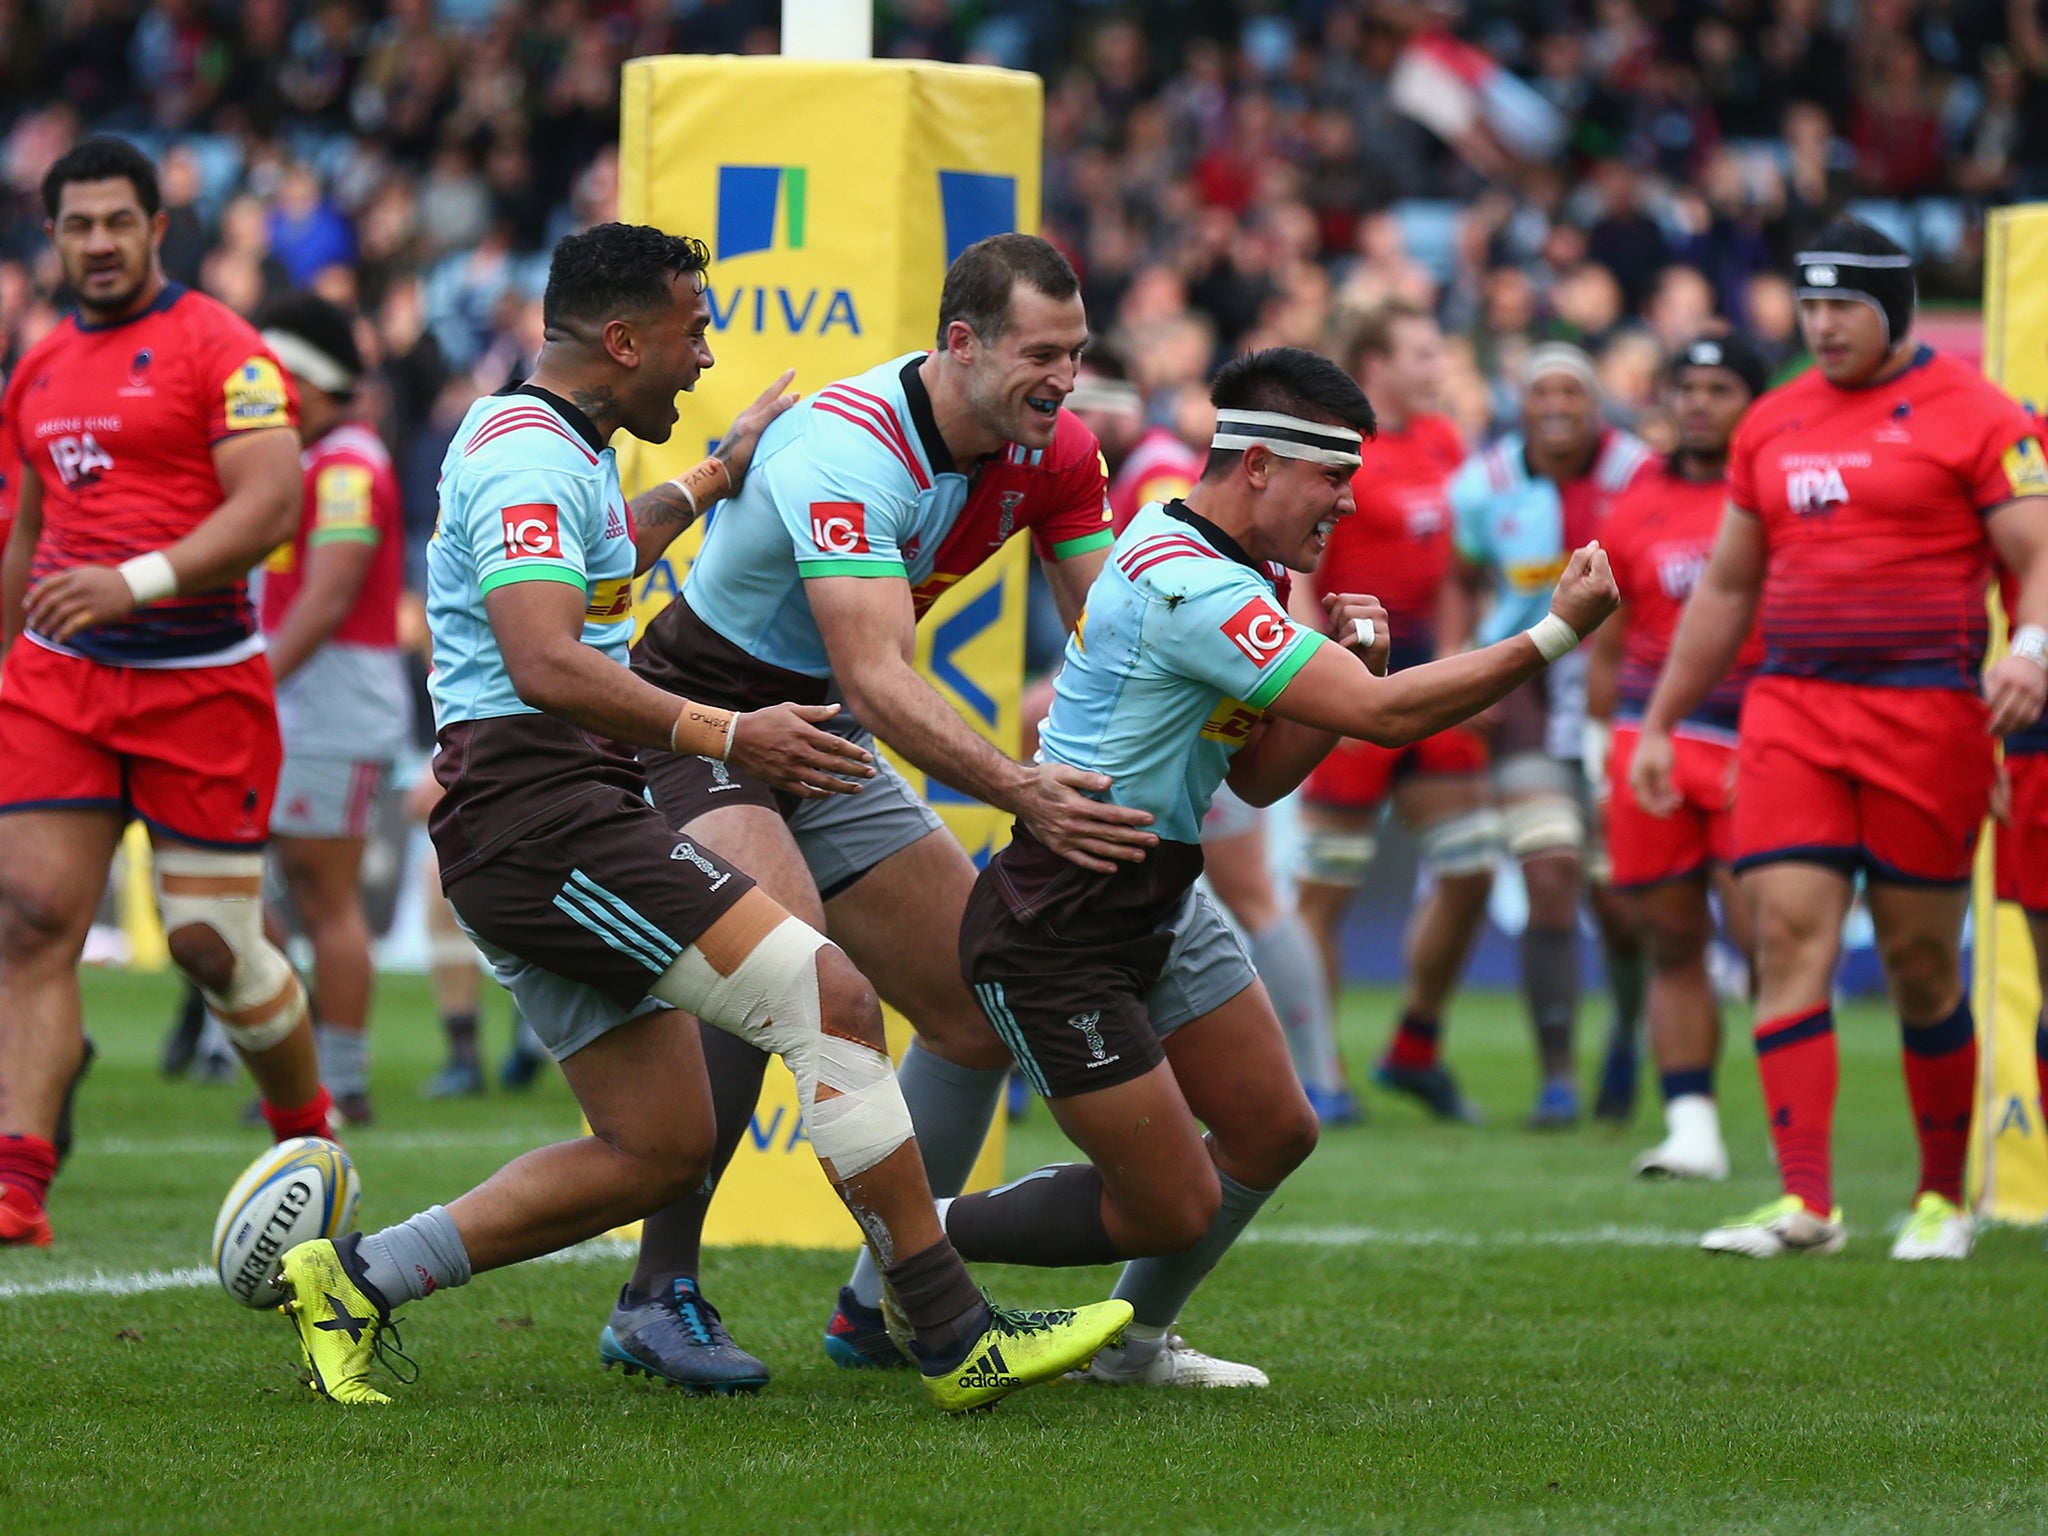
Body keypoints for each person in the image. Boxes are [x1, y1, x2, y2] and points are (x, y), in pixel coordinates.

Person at [272, 221, 1130, 1408]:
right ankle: (945, 1326)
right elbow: (541, 659)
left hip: (575, 800)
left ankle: (354, 1277)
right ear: (622, 340)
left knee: (657, 1146)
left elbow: (600, 562)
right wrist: (731, 734)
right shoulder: (532, 457)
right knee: (818, 992)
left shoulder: (551, 446)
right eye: (692, 331)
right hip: (546, 813)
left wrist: (715, 472)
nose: (706, 355)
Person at [941, 346, 1619, 1386]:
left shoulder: (1236, 569)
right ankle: (912, 1221)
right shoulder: (1187, 582)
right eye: (1332, 478)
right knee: (1170, 1202)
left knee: (1270, 1130)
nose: (1345, 504)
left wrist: (1361, 672)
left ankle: (1129, 1350)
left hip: (1155, 886)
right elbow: (1386, 723)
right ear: (1258, 466)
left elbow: (1254, 781)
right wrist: (1551, 634)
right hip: (1065, 913)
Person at [606, 234, 1166, 1392]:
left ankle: (878, 1309)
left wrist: (1253, 660)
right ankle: (654, 1294)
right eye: (1040, 354)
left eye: (1077, 352)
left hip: (820, 737)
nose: (1065, 380)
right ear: (958, 345)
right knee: (779, 969)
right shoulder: (849, 450)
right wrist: (1023, 791)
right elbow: (875, 678)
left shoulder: (1055, 452)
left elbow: (1117, 640)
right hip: (698, 713)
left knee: (972, 1011)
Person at [1634, 220, 2048, 1260]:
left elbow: (2037, 553)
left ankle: (1937, 1200)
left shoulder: (1982, 416)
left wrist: (2029, 650)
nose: (1819, 327)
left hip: (1927, 714)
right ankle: (1805, 1203)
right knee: (1783, 937)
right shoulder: (1769, 421)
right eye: (1807, 307)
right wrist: (1658, 720)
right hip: (1792, 711)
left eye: (1841, 309)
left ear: (1892, 311)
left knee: (1918, 963)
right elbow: (1727, 587)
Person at [0, 138, 321, 1247]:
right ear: (53, 236)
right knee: (32, 916)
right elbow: (26, 537)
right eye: (77, 224)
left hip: (197, 687)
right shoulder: (37, 371)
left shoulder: (222, 351)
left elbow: (272, 504)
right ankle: (19, 1180)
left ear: (155, 228)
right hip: (59, 688)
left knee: (208, 946)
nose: (98, 243)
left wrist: (131, 582)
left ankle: (308, 1133)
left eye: (117, 223)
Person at [1092, 366, 1354, 1125]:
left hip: (1209, 712)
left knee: (1251, 896)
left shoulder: (1162, 488)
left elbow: (1370, 712)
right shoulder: (1150, 501)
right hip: (1135, 806)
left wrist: (1551, 635)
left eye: (1084, 385)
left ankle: (1323, 1075)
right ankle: (1323, 1075)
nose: (1072, 404)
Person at [1444, 342, 1654, 1128]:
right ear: (1520, 403)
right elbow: (1460, 579)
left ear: (1596, 403)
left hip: (1626, 697)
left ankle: (1627, 1038)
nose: (1557, 403)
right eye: (1542, 391)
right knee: (1549, 872)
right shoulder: (1482, 483)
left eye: (1573, 389)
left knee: (1625, 903)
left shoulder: (1641, 472)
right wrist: (1465, 663)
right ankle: (1559, 1077)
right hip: (1527, 696)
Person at [1291, 300, 1491, 1125]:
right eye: (1420, 352)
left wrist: (1455, 661)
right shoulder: (1338, 447)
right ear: (1374, 365)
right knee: (1326, 893)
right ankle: (1318, 1069)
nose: (1437, 367)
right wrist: (1310, 659)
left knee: (1472, 867)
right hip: (1353, 668)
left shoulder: (1446, 442)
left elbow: (1458, 566)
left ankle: (1414, 1047)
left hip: (1427, 671)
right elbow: (1301, 556)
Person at [1586, 334, 1767, 1181]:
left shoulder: (1771, 489)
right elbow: (1607, 641)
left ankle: (1792, 1113)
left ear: (1752, 402)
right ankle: (1693, 1128)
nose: (1697, 402)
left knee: (1768, 933)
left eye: (1719, 387)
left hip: (1755, 735)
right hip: (1648, 737)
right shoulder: (1634, 498)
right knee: (1673, 939)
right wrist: (1596, 753)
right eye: (1685, 386)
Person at [253, 290, 411, 1126]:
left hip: (329, 710)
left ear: (308, 385)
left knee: (324, 898)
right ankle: (299, 1062)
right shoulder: (306, 459)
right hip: (289, 705)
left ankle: (340, 1079)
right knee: (241, 889)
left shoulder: (349, 464)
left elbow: (326, 599)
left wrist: (246, 684)